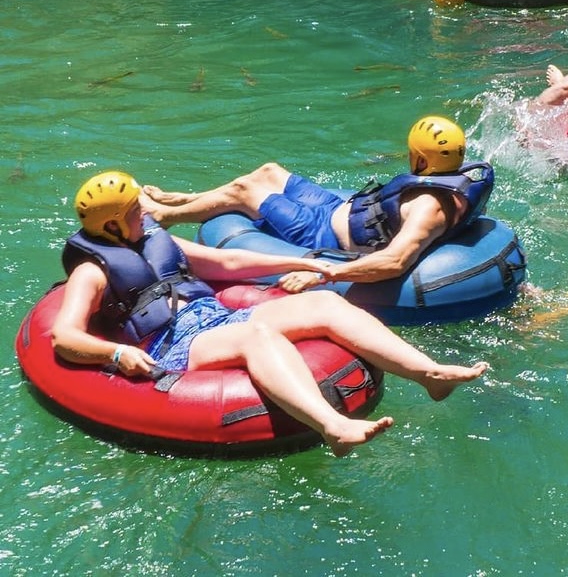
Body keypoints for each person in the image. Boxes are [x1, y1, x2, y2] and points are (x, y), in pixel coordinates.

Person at [53, 171, 489, 458]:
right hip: (172, 344)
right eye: (135, 211)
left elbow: (226, 264)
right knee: (256, 337)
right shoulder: (93, 271)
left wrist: (301, 263)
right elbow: (64, 338)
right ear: (111, 226)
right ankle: (332, 426)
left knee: (326, 304)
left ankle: (428, 374)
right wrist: (115, 355)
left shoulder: (153, 241)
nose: (146, 213)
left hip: (211, 317)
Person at [139, 116, 495, 294]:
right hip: (340, 208)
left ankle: (166, 215)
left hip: (323, 231)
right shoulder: (454, 178)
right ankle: (189, 199)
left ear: (419, 160)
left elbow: (396, 261)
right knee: (269, 171)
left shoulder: (427, 207)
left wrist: (326, 272)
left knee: (247, 191)